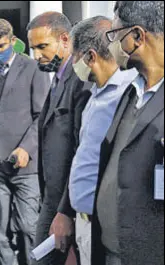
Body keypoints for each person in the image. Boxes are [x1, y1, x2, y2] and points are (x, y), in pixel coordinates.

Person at [92, 2, 164, 265]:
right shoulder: (132, 92)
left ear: (137, 36)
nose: (112, 46)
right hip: (114, 249)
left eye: (115, 35)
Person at [0, 18, 50, 265]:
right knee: (0, 231)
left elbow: (42, 115)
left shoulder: (33, 68)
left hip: (25, 166)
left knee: (29, 227)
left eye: (1, 46)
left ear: (13, 42)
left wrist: (26, 147)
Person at [68, 16, 138, 265]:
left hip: (107, 226)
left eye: (74, 57)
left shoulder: (127, 94)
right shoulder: (94, 94)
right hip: (84, 220)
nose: (73, 65)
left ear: (90, 56)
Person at [27, 12, 92, 265]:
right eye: (34, 48)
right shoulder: (59, 79)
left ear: (65, 40)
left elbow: (81, 151)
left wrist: (67, 211)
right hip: (52, 198)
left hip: (66, 203)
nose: (37, 55)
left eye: (43, 46)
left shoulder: (80, 82)